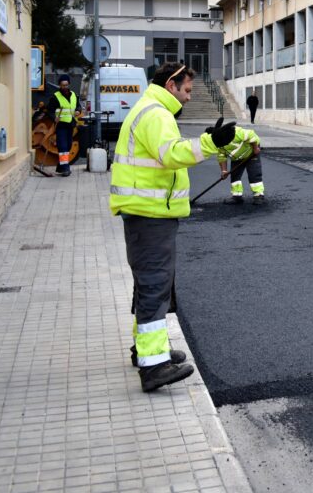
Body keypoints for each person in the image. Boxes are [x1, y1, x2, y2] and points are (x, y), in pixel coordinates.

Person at [110, 62, 236, 392]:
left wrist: (207, 139)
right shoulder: (156, 114)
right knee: (154, 285)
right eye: (187, 90)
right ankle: (154, 368)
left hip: (148, 213)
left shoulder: (152, 110)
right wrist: (210, 144)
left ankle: (148, 351)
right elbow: (171, 155)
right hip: (149, 215)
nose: (189, 97)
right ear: (171, 84)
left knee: (149, 284)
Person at [217, 126, 264, 204]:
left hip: (251, 152)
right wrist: (224, 171)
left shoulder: (237, 133)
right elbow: (221, 156)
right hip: (236, 157)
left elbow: (251, 134)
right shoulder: (218, 143)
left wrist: (255, 149)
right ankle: (236, 196)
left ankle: (258, 195)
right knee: (235, 175)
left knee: (254, 173)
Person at [47, 74, 78, 176]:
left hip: (70, 125)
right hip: (60, 125)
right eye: (62, 85)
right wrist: (53, 117)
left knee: (68, 146)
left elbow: (78, 106)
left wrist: (78, 110)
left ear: (69, 84)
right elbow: (50, 110)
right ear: (59, 85)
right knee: (63, 147)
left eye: (66, 85)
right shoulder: (55, 96)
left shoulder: (74, 95)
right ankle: (65, 169)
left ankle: (60, 167)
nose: (64, 87)